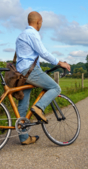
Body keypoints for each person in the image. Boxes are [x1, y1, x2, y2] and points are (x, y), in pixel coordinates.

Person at [16, 11, 71, 145]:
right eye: (42, 23)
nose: (41, 25)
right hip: (30, 71)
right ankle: (39, 107)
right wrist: (59, 62)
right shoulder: (33, 34)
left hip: (21, 72)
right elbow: (43, 52)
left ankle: (24, 138)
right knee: (55, 87)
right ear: (38, 21)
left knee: (23, 103)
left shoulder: (21, 35)